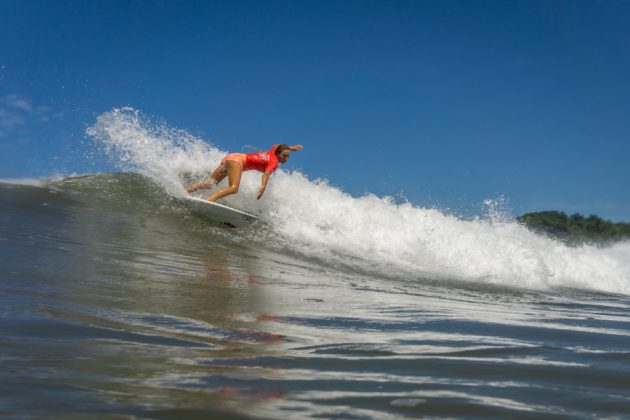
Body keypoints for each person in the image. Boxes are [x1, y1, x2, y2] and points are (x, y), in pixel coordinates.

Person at [186, 144, 304, 202]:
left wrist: (291, 148)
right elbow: (266, 174)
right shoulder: (274, 162)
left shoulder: (273, 151)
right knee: (233, 188)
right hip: (237, 161)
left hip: (231, 157)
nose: (286, 159)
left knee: (210, 182)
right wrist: (263, 186)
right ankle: (208, 202)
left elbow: (278, 144)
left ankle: (185, 191)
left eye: (288, 157)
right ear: (278, 154)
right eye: (284, 155)